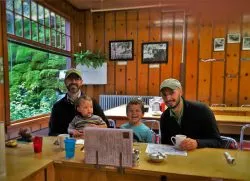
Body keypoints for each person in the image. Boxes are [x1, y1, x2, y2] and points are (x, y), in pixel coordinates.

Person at [159, 78, 222, 150]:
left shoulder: (202, 110)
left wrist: (197, 143)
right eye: (164, 94)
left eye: (172, 93)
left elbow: (217, 142)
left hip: (201, 158)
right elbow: (164, 145)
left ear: (181, 92)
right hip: (178, 159)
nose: (168, 98)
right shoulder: (165, 117)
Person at [49, 68, 109, 136]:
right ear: (65, 82)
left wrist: (97, 128)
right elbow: (52, 132)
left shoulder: (92, 103)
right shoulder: (57, 107)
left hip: (90, 142)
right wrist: (70, 134)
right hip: (67, 143)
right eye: (70, 79)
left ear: (81, 82)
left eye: (77, 79)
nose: (73, 81)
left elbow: (107, 126)